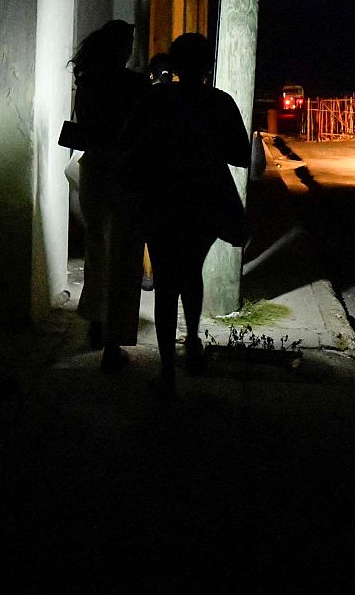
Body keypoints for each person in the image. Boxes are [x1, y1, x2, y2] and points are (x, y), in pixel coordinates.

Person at [122, 32, 251, 397]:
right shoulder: (220, 103)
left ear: (174, 65)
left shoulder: (154, 99)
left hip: (161, 200)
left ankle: (167, 372)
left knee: (166, 282)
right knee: (191, 270)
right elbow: (241, 156)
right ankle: (192, 342)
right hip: (205, 202)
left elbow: (131, 145)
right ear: (208, 66)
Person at [67, 20, 149, 372]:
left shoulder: (87, 83)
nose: (131, 49)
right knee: (125, 258)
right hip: (127, 173)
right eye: (128, 43)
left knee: (97, 250)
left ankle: (96, 323)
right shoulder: (135, 85)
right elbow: (144, 131)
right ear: (121, 48)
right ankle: (113, 345)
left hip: (94, 171)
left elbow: (82, 129)